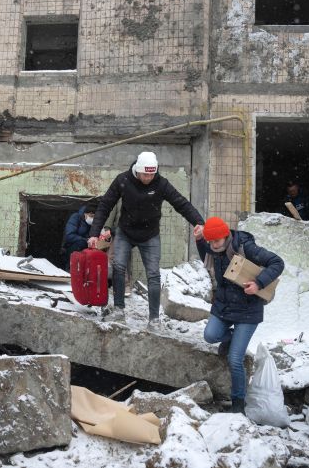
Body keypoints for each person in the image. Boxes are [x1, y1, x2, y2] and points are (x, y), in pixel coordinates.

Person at [87, 151, 204, 327]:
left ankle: (154, 319)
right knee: (118, 266)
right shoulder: (123, 180)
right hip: (125, 232)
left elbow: (181, 203)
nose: (148, 177)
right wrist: (94, 233)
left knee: (153, 275)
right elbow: (105, 205)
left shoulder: (161, 184)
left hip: (150, 235)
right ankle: (119, 310)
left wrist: (199, 222)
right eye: (145, 174)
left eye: (152, 174)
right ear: (137, 170)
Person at [195, 216, 284, 414]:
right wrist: (199, 240)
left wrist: (259, 283)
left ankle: (237, 404)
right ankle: (233, 338)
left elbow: (277, 263)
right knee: (210, 336)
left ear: (225, 236)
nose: (213, 245)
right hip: (224, 307)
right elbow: (206, 255)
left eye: (215, 241)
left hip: (247, 310)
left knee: (235, 359)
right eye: (210, 241)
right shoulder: (213, 249)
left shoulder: (246, 246)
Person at [61, 202, 100, 269]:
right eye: (91, 216)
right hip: (72, 247)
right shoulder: (76, 217)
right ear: (85, 214)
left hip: (88, 249)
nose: (92, 219)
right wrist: (85, 240)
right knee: (81, 244)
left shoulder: (96, 223)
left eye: (94, 217)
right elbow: (69, 236)